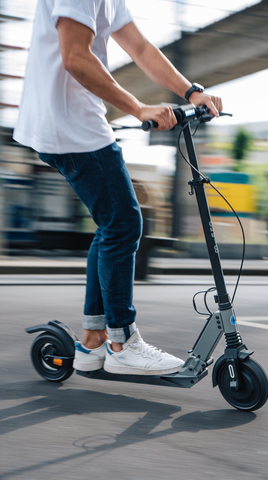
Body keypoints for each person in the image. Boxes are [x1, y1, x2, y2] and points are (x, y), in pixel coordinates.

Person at [13, 0, 223, 376]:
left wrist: (190, 91)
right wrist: (138, 107)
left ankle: (94, 340)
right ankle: (123, 342)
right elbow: (75, 57)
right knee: (124, 224)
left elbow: (140, 48)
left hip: (76, 121)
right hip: (69, 125)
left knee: (113, 225)